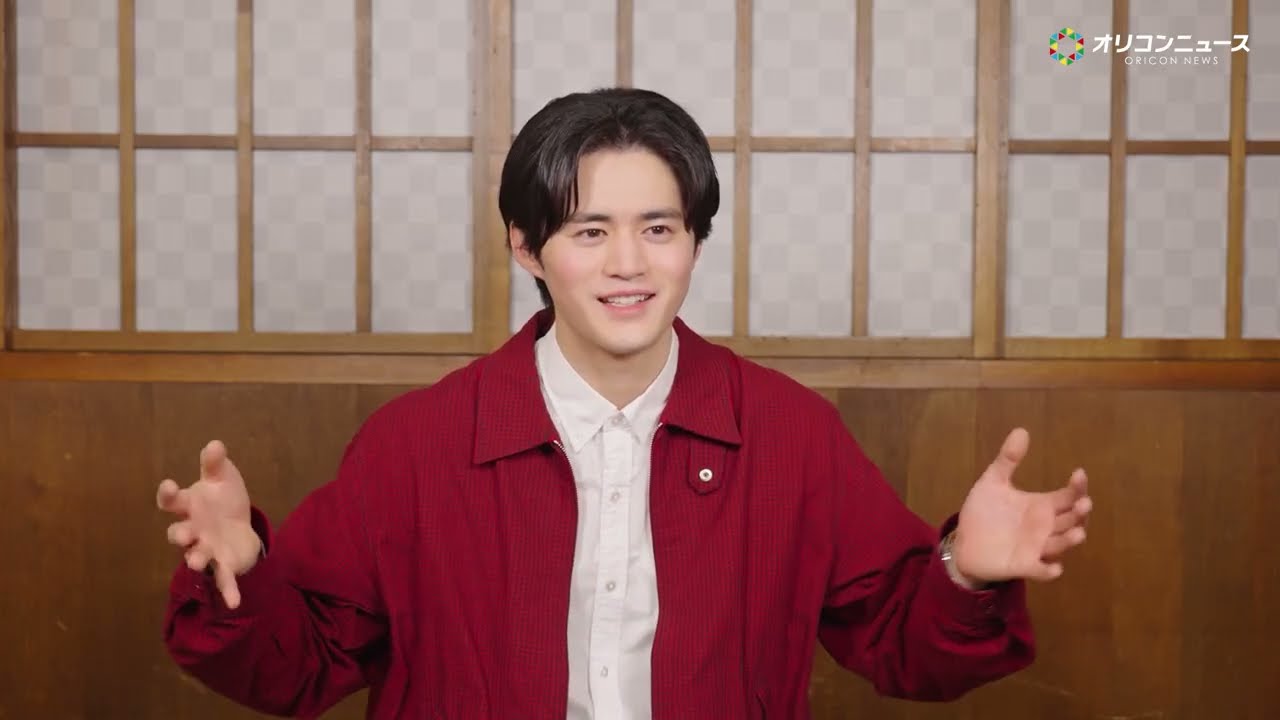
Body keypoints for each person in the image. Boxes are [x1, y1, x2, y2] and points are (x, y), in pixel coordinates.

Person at [157, 87, 1092, 719]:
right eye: (589, 232)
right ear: (526, 247)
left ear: (695, 241)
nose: (629, 264)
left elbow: (901, 645)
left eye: (659, 228)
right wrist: (240, 572)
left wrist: (964, 576)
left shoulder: (788, 433)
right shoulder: (416, 443)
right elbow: (299, 668)